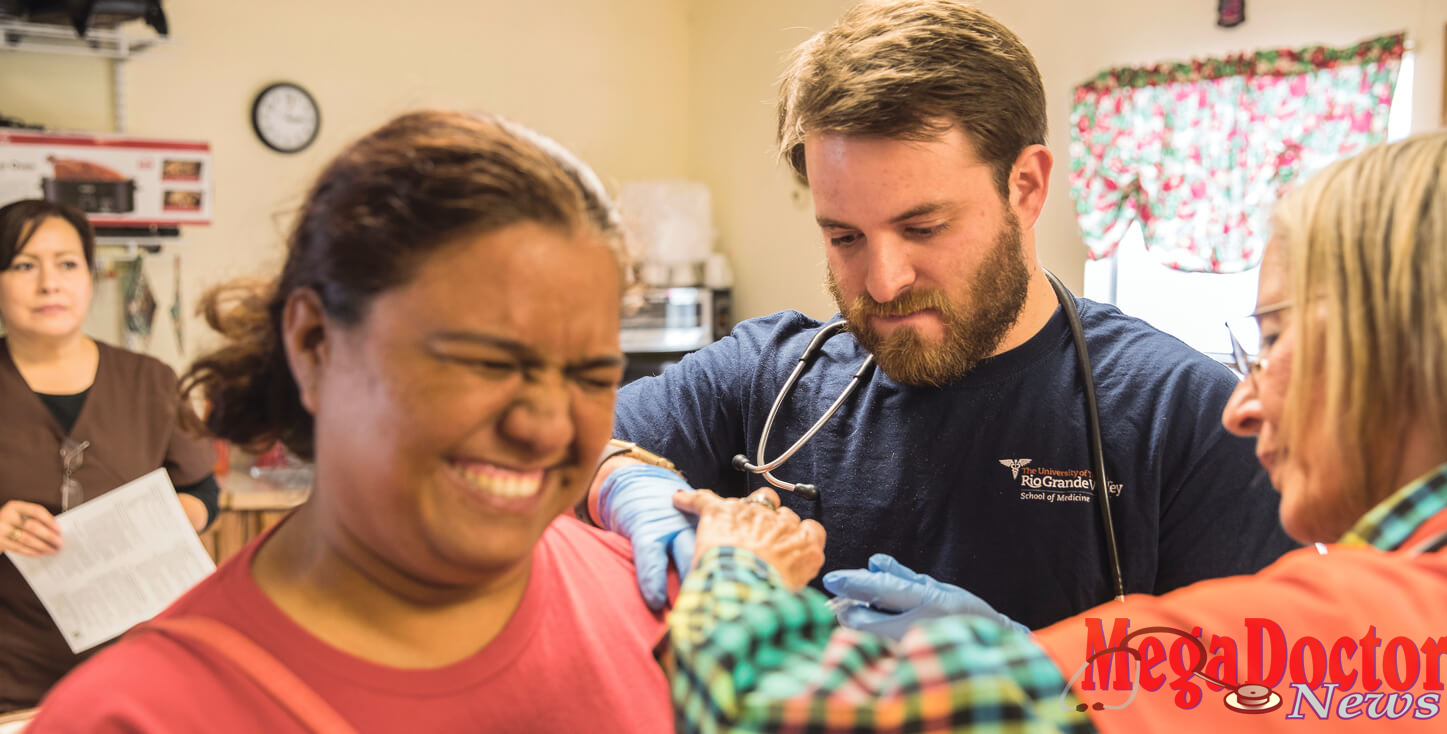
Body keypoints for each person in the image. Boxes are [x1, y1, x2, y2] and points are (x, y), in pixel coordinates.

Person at [666, 129, 1447, 731]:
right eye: (842, 236)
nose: (1243, 408)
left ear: (1409, 340)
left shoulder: (1363, 629)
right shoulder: (768, 367)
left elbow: (768, 709)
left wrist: (737, 571)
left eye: (1276, 340)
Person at [590, 0, 1294, 631]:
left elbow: (1254, 696)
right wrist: (627, 479)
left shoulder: (1193, 419)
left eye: (923, 228)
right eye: (844, 238)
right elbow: (556, 443)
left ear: (1026, 186)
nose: (884, 282)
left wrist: (1054, 688)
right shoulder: (764, 381)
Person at [26, 110, 676, 732]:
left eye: (591, 376)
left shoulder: (666, 610)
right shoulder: (137, 717)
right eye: (485, 362)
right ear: (315, 344)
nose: (546, 427)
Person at [0, 199, 220, 713]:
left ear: (91, 278)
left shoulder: (151, 381)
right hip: (11, 674)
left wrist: (179, 515)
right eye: (24, 265)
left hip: (137, 666)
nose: (50, 283)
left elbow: (201, 487)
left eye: (67, 264)